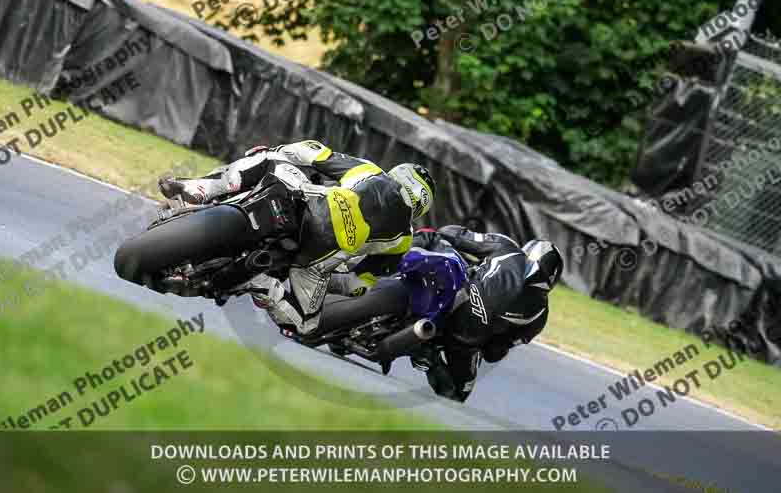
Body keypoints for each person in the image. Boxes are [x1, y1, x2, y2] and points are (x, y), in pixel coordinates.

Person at [158, 139, 436, 335]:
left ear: (397, 174)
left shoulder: (369, 171)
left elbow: (314, 153)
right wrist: (334, 273)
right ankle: (262, 285)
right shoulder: (403, 240)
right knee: (305, 325)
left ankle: (200, 188)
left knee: (269, 157)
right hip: (315, 258)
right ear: (421, 207)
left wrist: (281, 151)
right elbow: (358, 286)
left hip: (307, 204)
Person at [407, 225, 563, 402]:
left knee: (431, 237)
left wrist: (444, 238)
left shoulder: (507, 247)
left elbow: (458, 236)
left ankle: (389, 267)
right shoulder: (540, 315)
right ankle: (430, 359)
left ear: (528, 251)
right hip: (465, 341)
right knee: (458, 393)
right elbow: (494, 352)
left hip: (452, 291)